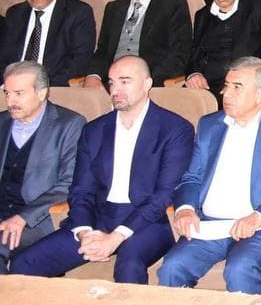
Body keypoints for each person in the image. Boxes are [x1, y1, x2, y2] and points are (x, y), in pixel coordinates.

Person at [8, 57, 194, 283]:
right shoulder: (95, 130)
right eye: (112, 82)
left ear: (147, 84)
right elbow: (80, 190)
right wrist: (84, 231)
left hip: (147, 222)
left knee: (129, 266)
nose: (115, 89)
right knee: (24, 264)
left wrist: (115, 237)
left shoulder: (174, 128)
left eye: (125, 81)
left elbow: (163, 195)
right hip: (97, 217)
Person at [157, 57, 261, 294]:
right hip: (209, 224)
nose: (226, 94)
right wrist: (185, 209)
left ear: (260, 94)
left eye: (237, 87)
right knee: (172, 267)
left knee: (239, 268)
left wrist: (258, 216)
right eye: (226, 86)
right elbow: (192, 178)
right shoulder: (210, 125)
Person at [0, 62, 85, 272]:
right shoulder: (1, 122)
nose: (10, 101)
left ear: (41, 93)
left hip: (35, 219)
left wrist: (23, 217)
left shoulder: (69, 124)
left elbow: (69, 182)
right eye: (7, 93)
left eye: (19, 93)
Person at [89, 0, 193, 83]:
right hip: (111, 82)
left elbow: (179, 55)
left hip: (149, 82)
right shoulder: (114, 8)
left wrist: (145, 80)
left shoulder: (173, 5)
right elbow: (102, 52)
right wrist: (94, 75)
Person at [0, 0, 95, 86]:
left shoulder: (77, 12)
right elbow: (3, 56)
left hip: (52, 84)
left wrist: (43, 86)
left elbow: (80, 59)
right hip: (12, 83)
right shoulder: (15, 13)